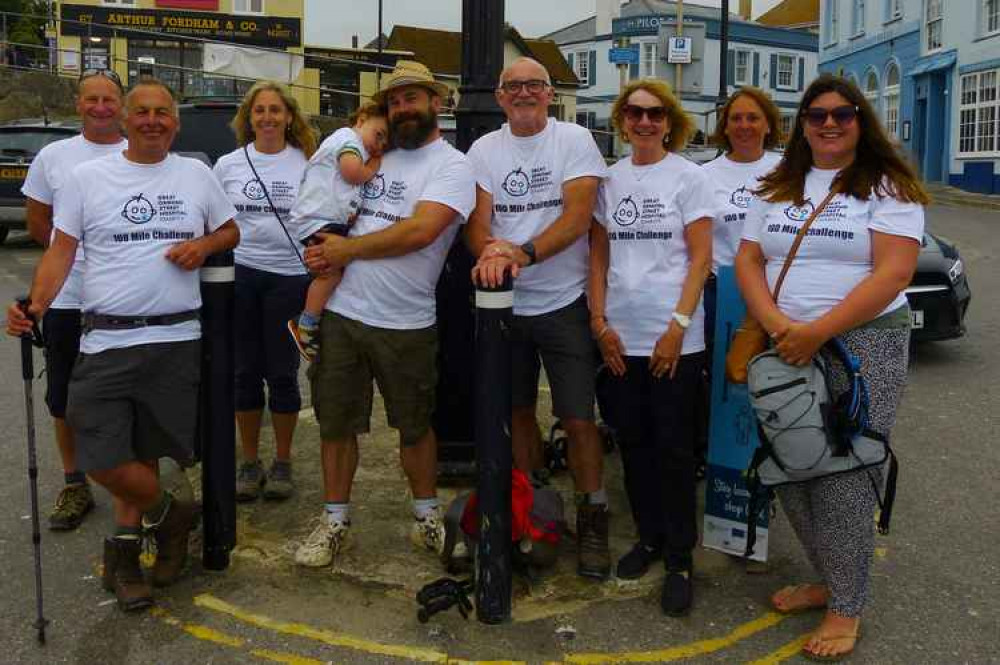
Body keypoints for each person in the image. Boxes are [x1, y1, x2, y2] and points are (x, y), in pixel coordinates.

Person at [6, 77, 240, 612]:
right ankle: (172, 515)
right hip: (106, 336)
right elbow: (61, 252)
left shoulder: (196, 174)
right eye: (143, 112)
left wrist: (204, 244)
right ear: (126, 120)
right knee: (99, 453)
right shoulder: (88, 179)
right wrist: (34, 308)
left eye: (163, 113)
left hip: (176, 336)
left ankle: (128, 558)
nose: (153, 120)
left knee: (145, 450)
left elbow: (230, 232)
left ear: (174, 124)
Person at [735, 73, 928, 660]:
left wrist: (817, 331)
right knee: (791, 462)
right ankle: (829, 576)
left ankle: (847, 608)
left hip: (863, 344)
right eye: (816, 115)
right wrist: (775, 325)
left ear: (859, 120)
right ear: (802, 124)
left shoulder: (889, 186)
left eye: (842, 114)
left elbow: (893, 274)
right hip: (785, 340)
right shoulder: (777, 183)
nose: (829, 124)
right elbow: (748, 259)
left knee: (844, 469)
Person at [295, 61, 475, 568]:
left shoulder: (453, 166)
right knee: (336, 423)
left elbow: (421, 232)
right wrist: (319, 246)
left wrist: (344, 252)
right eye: (395, 102)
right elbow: (331, 199)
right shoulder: (376, 151)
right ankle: (335, 522)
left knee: (415, 426)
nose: (402, 109)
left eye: (412, 99)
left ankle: (425, 516)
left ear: (436, 103)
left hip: (406, 321)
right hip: (342, 312)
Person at [467, 57, 611, 579]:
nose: (524, 93)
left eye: (534, 85)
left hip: (562, 300)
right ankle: (534, 509)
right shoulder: (484, 149)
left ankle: (593, 512)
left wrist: (520, 254)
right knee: (518, 412)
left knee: (577, 417)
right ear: (501, 97)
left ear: (549, 94)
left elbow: (577, 219)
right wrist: (489, 252)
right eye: (514, 86)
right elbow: (477, 222)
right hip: (506, 306)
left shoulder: (574, 141)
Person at [589, 79, 713, 614]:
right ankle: (649, 538)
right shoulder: (607, 182)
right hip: (621, 337)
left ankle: (681, 557)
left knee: (675, 449)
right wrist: (598, 322)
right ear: (622, 120)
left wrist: (678, 326)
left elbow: (701, 258)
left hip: (674, 340)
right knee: (634, 444)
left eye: (655, 114)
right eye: (635, 113)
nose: (644, 123)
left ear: (670, 122)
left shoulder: (689, 177)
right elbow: (597, 259)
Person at [21, 69, 127, 531]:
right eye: (92, 99)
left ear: (120, 104)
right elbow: (38, 225)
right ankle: (74, 482)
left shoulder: (138, 151)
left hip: (123, 301)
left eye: (109, 99)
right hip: (68, 300)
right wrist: (75, 259)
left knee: (127, 396)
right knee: (62, 397)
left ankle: (131, 485)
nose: (101, 107)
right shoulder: (54, 156)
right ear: (78, 103)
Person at [212, 81, 317, 502]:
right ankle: (250, 461)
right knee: (244, 373)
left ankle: (284, 462)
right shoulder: (228, 165)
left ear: (289, 116)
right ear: (248, 118)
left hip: (289, 279)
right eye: (260, 111)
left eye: (276, 110)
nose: (268, 117)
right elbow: (216, 222)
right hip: (241, 276)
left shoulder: (308, 163)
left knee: (283, 372)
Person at [696, 89, 784, 479]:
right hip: (724, 295)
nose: (744, 126)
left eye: (753, 118)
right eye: (736, 118)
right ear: (724, 126)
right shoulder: (704, 176)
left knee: (778, 380)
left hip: (778, 294)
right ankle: (721, 462)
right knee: (724, 382)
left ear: (768, 124)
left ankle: (776, 459)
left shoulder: (789, 170)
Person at [287, 101, 389, 360]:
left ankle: (311, 318)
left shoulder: (352, 143)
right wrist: (372, 168)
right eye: (379, 135)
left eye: (385, 143)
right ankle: (306, 323)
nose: (379, 145)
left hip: (320, 218)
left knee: (331, 270)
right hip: (317, 219)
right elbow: (351, 173)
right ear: (362, 119)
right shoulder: (348, 139)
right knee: (331, 273)